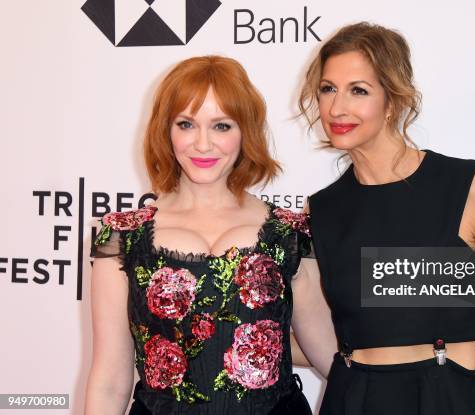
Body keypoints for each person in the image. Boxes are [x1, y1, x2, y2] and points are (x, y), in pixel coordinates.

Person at [298, 22, 475, 414]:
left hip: (446, 397)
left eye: (358, 90)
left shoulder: (469, 186)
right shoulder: (321, 209)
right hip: (351, 398)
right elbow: (323, 334)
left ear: (393, 99)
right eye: (328, 89)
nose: (337, 107)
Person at [84, 56, 318, 415]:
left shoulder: (290, 233)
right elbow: (109, 379)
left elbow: (327, 350)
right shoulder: (121, 235)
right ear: (166, 130)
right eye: (186, 124)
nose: (203, 144)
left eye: (222, 126)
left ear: (245, 131)